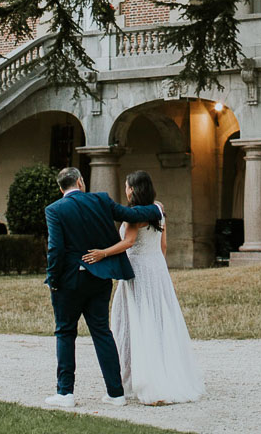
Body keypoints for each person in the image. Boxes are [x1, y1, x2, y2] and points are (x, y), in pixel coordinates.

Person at [82, 170, 205, 405]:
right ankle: (166, 374)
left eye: (127, 186)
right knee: (158, 321)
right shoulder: (158, 209)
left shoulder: (135, 215)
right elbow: (164, 245)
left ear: (134, 189)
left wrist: (102, 254)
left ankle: (133, 380)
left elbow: (128, 242)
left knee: (130, 321)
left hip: (137, 270)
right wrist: (159, 268)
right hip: (156, 268)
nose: (126, 190)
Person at [43, 166, 161, 408]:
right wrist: (157, 209)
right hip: (100, 278)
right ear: (80, 181)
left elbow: (55, 249)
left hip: (69, 280)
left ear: (61, 187)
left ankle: (65, 393)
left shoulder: (54, 210)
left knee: (65, 333)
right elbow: (134, 214)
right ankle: (115, 393)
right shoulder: (101, 199)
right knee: (102, 333)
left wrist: (53, 280)